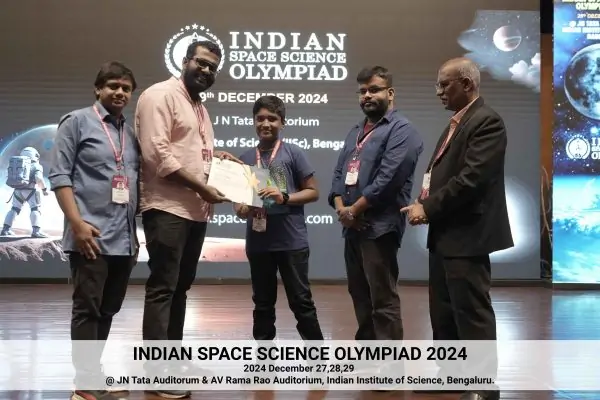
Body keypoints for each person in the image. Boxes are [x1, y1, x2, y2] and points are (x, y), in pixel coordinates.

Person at [401, 57, 512, 400]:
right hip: (446, 233)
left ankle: (482, 386)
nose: (438, 92)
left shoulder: (487, 121)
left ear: (466, 84)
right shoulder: (456, 123)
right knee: (444, 310)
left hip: (469, 234)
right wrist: (423, 201)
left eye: (443, 84)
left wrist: (428, 207)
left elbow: (471, 180)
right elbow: (442, 175)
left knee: (471, 310)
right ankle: (451, 375)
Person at [134, 40, 239, 399]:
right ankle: (155, 373)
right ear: (185, 61)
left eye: (213, 67)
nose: (206, 71)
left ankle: (173, 362)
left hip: (195, 210)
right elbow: (158, 155)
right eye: (202, 63)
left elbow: (190, 153)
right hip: (167, 209)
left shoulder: (199, 107)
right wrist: (202, 186)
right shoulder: (159, 96)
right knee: (163, 287)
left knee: (180, 288)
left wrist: (216, 159)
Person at [48, 61, 139, 400]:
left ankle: (93, 375)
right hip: (91, 237)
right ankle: (85, 383)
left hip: (124, 240)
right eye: (113, 85)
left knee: (108, 309)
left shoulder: (130, 134)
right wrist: (77, 225)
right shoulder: (76, 122)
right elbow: (59, 176)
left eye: (126, 88)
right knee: (87, 309)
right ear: (98, 88)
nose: (120, 92)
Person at [328, 66, 423, 342]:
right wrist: (341, 209)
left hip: (378, 228)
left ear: (390, 93)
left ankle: (389, 362)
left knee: (382, 299)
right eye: (362, 91)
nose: (367, 95)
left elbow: (388, 179)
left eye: (374, 89)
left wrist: (354, 210)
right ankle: (368, 355)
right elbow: (339, 173)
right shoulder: (356, 131)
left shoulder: (402, 130)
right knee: (359, 294)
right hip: (352, 227)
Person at [233, 95, 324, 343]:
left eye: (272, 119)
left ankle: (317, 357)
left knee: (301, 301)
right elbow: (239, 203)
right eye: (260, 118)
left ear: (282, 122)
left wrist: (284, 197)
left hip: (291, 242)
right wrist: (241, 208)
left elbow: (313, 192)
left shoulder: (293, 152)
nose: (266, 124)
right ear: (254, 121)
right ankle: (264, 358)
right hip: (258, 243)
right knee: (262, 303)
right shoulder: (245, 158)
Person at [2, 146, 49, 238]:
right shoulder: (37, 166)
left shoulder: (19, 164)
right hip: (31, 191)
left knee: (14, 209)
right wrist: (44, 189)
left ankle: (5, 229)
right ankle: (36, 231)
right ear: (35, 155)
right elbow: (39, 179)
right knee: (35, 209)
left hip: (17, 190)